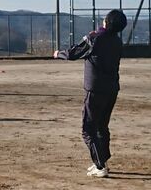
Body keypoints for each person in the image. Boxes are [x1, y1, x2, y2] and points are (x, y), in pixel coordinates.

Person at [53, 9, 127, 178]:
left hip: (95, 90)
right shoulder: (117, 41)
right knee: (102, 127)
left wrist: (59, 54)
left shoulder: (95, 38)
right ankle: (102, 161)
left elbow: (74, 52)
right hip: (112, 89)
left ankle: (100, 165)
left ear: (107, 23)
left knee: (88, 129)